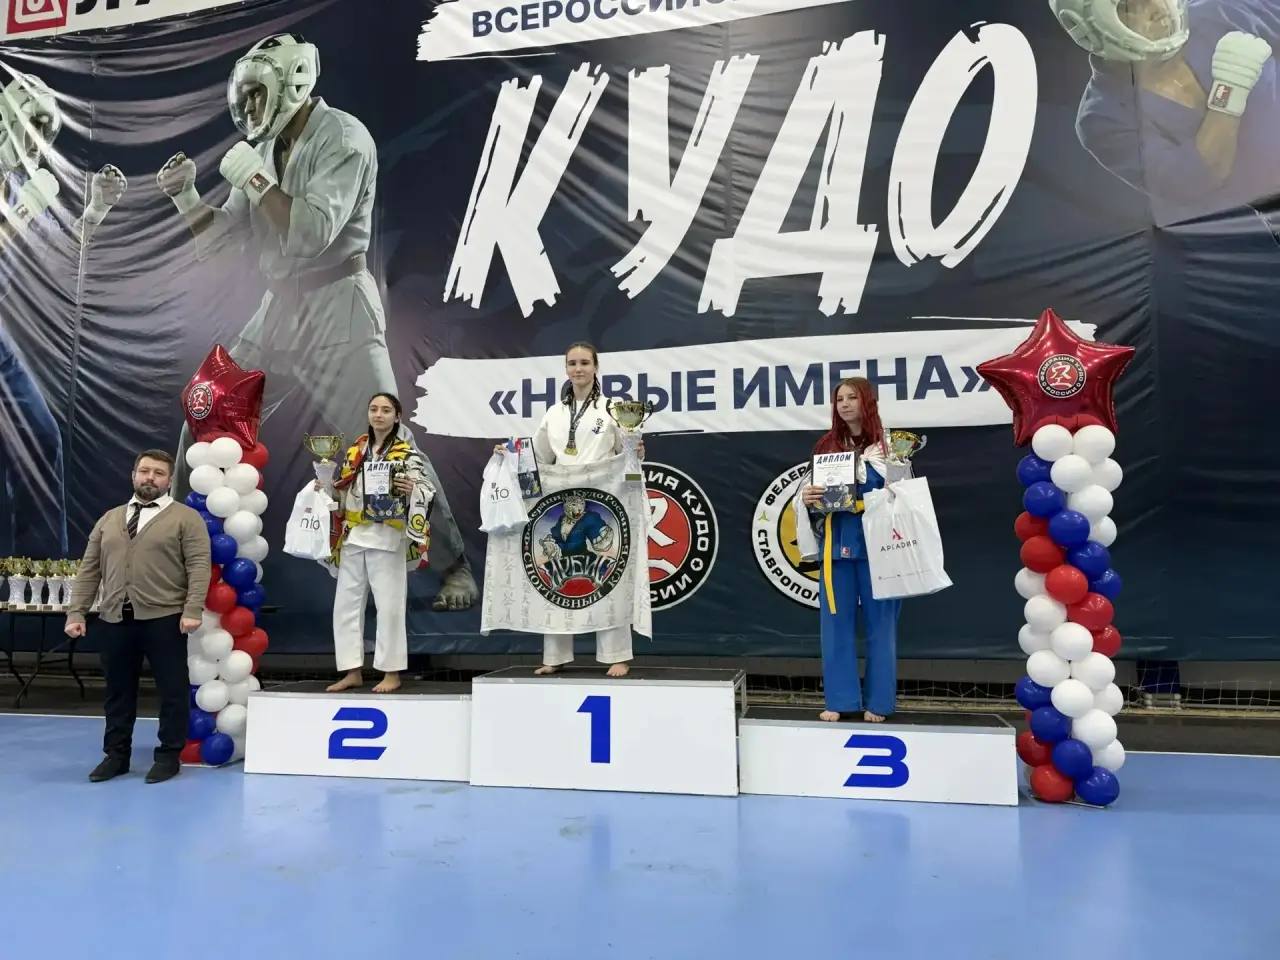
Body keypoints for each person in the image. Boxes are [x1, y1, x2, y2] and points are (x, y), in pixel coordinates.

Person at [155, 33, 478, 611]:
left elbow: (309, 234)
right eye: (246, 97)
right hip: (278, 309)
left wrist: (256, 178)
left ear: (294, 84)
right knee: (206, 410)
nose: (251, 108)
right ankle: (185, 558)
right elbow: (220, 243)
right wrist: (186, 199)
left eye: (260, 95)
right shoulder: (266, 147)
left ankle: (455, 564)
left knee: (384, 446)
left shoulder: (345, 139)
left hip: (338, 305)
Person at [0, 69, 127, 558]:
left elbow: (61, 252)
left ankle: (38, 575)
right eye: (31, 124)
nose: (37, 141)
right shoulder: (23, 197)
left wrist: (95, 211)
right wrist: (24, 211)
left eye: (45, 130)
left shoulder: (19, 186)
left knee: (39, 437)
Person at [1051, 0, 1280, 229]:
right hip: (1254, 235)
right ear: (1088, 28)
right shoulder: (1103, 119)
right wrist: (1229, 89)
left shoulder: (1219, 12)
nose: (1156, 7)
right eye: (1130, 5)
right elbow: (1195, 180)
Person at [63, 450, 210, 784]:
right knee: (117, 692)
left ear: (169, 480)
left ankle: (168, 756)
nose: (150, 478)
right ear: (133, 476)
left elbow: (199, 566)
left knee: (171, 690)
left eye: (158, 473)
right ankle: (116, 756)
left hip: (165, 618)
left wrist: (192, 609)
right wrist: (77, 611)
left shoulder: (186, 518)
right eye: (144, 471)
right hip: (114, 619)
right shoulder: (109, 519)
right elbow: (89, 569)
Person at [522, 341, 640, 677]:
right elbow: (539, 456)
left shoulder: (614, 408)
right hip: (562, 500)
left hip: (604, 498)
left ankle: (617, 654)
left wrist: (635, 454)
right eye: (572, 363)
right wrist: (510, 455)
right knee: (556, 579)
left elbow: (627, 454)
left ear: (595, 367)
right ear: (566, 368)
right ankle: (555, 655)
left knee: (609, 574)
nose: (578, 369)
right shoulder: (554, 413)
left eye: (585, 363)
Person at [799, 378, 902, 723]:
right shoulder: (826, 446)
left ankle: (879, 702)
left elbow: (906, 497)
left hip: (879, 549)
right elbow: (811, 498)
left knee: (881, 627)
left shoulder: (891, 447)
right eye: (839, 399)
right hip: (836, 548)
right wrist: (808, 498)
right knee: (835, 625)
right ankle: (840, 699)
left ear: (867, 401)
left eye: (851, 397)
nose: (844, 404)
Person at [320, 393, 434, 694]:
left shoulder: (406, 453)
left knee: (389, 607)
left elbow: (426, 489)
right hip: (353, 534)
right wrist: (326, 486)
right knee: (345, 607)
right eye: (374, 409)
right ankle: (351, 670)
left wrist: (412, 488)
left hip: (388, 536)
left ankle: (391, 672)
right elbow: (343, 492)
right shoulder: (356, 450)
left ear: (397, 417)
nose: (379, 415)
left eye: (386, 410)